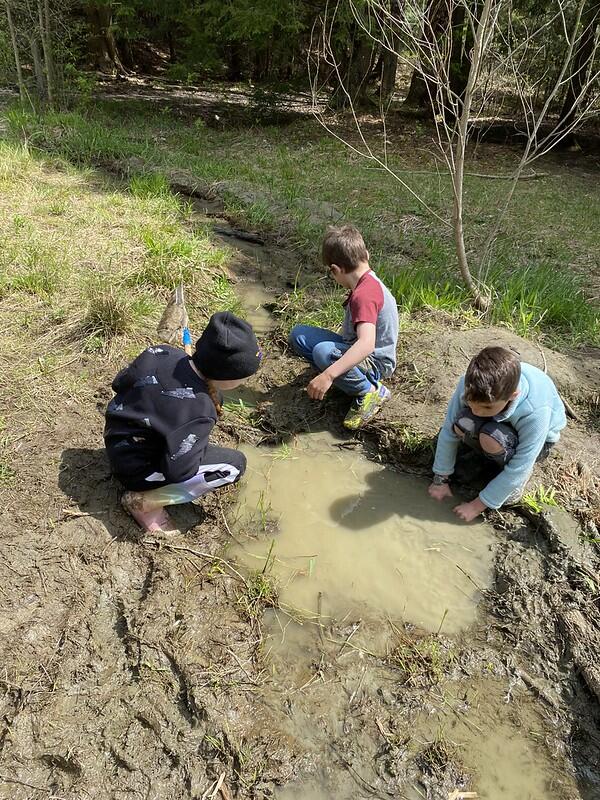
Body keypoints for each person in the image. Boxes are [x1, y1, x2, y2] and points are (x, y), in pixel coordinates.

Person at [104, 311, 261, 533]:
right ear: (228, 375)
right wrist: (195, 441)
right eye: (245, 377)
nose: (246, 381)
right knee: (233, 466)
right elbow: (178, 471)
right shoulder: (199, 411)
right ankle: (145, 503)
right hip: (135, 470)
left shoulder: (160, 352)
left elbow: (119, 382)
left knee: (211, 398)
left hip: (116, 436)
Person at [428, 346, 566, 522]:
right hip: (497, 422)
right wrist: (440, 479)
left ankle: (503, 474)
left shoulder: (536, 412)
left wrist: (476, 506)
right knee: (462, 423)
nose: (476, 411)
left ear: (512, 396)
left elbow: (520, 466)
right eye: (471, 403)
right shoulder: (467, 385)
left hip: (537, 440)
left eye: (486, 407)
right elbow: (448, 430)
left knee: (490, 438)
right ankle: (487, 453)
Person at [288, 225, 399, 430]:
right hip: (354, 347)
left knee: (323, 352)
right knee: (300, 335)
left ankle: (370, 391)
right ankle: (343, 374)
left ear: (335, 270)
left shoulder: (364, 295)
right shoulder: (365, 283)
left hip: (375, 362)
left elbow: (366, 344)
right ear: (366, 255)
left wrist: (328, 375)